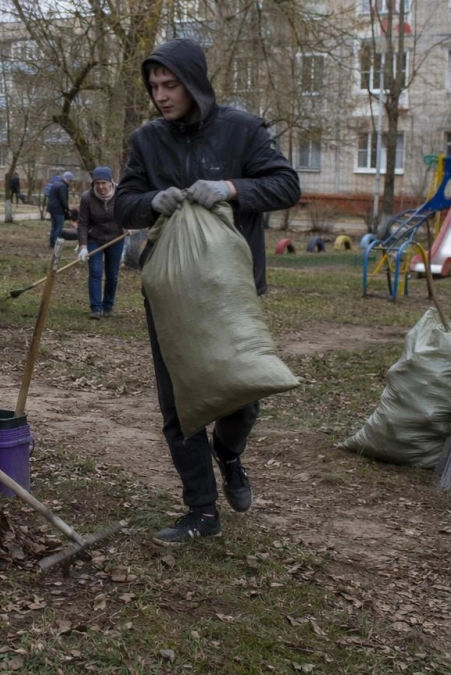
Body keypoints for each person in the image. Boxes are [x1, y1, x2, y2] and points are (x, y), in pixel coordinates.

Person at [114, 38, 300, 545]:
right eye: (153, 86)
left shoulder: (241, 130)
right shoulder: (148, 141)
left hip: (231, 290)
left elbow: (286, 185)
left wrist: (231, 188)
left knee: (242, 391)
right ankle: (201, 510)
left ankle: (230, 453)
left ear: (194, 82)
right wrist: (152, 199)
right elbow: (123, 206)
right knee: (179, 404)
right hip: (171, 294)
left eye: (169, 84)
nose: (160, 95)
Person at [77, 166, 124, 320]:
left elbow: (129, 213)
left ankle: (108, 306)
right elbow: (82, 223)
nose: (101, 187)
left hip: (116, 238)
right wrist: (83, 246)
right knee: (95, 273)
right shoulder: (87, 198)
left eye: (104, 183)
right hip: (94, 239)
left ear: (110, 182)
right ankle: (96, 308)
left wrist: (131, 226)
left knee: (112, 275)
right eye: (97, 183)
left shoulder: (121, 195)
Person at [46, 171, 74, 248]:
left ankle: (52, 243)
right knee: (59, 227)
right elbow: (63, 199)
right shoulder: (63, 186)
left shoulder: (55, 183)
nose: (71, 183)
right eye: (71, 181)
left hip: (51, 208)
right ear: (68, 179)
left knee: (53, 227)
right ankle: (56, 244)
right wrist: (67, 209)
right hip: (58, 209)